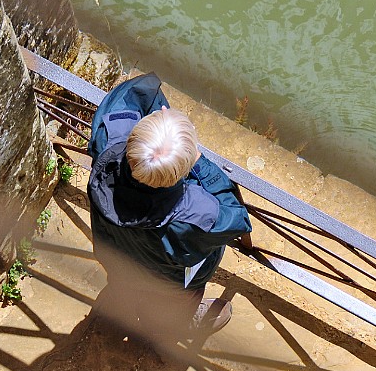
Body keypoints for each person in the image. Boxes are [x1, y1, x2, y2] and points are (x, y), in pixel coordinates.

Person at [87, 72, 252, 344]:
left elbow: (135, 91)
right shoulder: (198, 213)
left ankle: (119, 310)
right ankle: (165, 327)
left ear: (132, 142)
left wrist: (158, 125)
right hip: (167, 282)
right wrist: (201, 165)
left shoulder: (109, 143)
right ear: (183, 170)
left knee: (122, 282)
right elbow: (236, 218)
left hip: (114, 253)